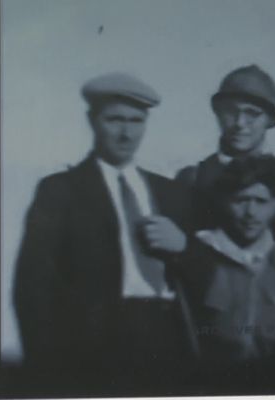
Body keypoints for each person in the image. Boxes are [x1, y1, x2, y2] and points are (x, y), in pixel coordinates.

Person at [14, 72, 195, 376]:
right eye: (115, 120)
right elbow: (32, 287)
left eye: (137, 121)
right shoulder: (60, 190)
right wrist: (46, 372)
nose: (127, 133)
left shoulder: (172, 192)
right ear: (92, 120)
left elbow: (208, 276)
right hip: (95, 348)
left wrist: (185, 247)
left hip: (169, 342)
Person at [173, 65, 275, 250]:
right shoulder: (193, 178)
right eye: (231, 111)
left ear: (269, 120)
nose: (240, 123)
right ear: (217, 113)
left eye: (252, 114)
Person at [176, 155, 275, 365]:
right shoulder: (200, 252)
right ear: (224, 201)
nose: (251, 213)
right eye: (241, 201)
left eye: (261, 201)